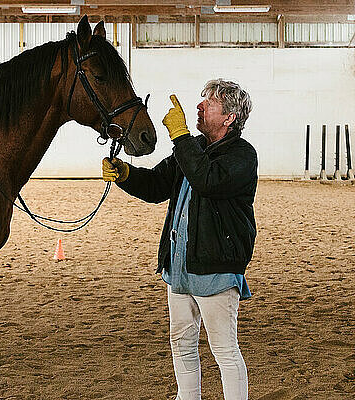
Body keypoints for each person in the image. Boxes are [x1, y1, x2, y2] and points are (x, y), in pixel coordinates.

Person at [102, 79, 257, 400]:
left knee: (224, 349)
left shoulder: (242, 154)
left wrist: (180, 136)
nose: (199, 107)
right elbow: (159, 184)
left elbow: (207, 180)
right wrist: (127, 174)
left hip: (215, 267)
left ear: (229, 117)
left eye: (209, 103)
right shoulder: (194, 149)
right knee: (181, 343)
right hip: (180, 264)